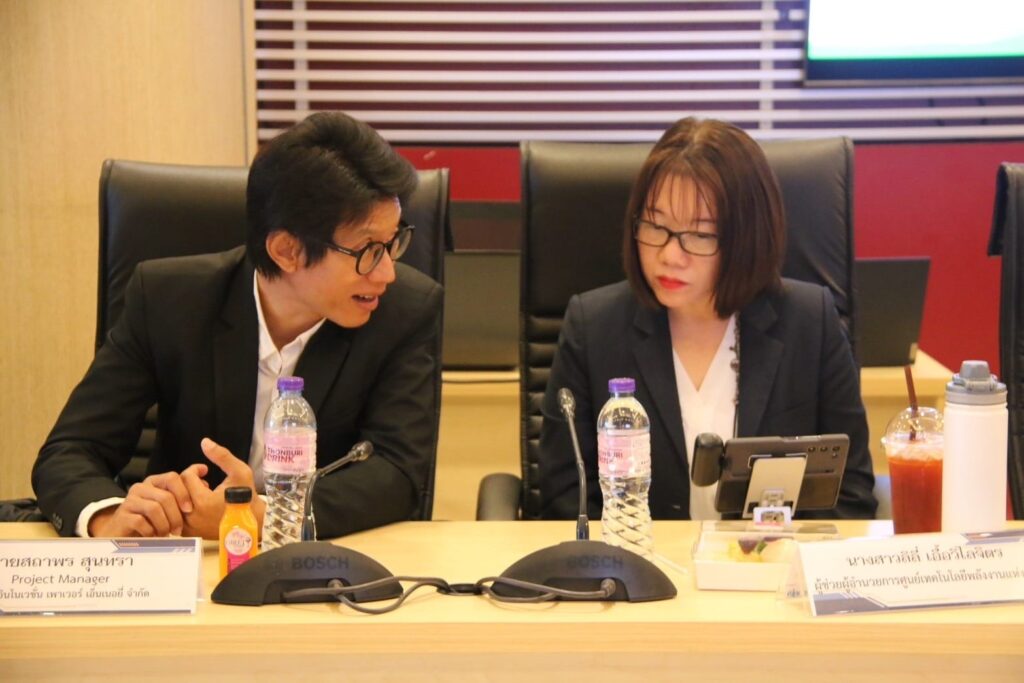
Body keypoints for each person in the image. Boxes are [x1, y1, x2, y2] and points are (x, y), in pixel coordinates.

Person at [33, 112, 443, 539]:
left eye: (393, 243)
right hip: (188, 556)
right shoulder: (168, 301)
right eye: (368, 250)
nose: (386, 273)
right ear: (287, 251)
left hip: (324, 561)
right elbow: (70, 451)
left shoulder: (405, 311)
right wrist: (111, 518)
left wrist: (260, 517)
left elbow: (398, 474)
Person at [540, 117, 877, 521]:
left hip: (775, 559)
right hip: (637, 558)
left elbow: (851, 494)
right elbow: (565, 502)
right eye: (655, 226)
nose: (669, 255)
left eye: (699, 234)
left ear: (747, 237)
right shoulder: (593, 329)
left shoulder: (810, 323)